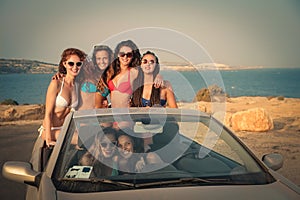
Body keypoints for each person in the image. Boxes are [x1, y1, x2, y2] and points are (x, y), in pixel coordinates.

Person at [39, 48, 86, 147]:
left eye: (78, 64)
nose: (75, 67)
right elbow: (48, 113)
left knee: (93, 138)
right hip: (50, 130)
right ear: (64, 64)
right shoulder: (56, 83)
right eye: (71, 64)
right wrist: (48, 139)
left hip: (65, 129)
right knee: (81, 140)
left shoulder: (78, 85)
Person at [96, 40, 164, 108]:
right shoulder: (111, 72)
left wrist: (158, 76)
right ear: (117, 55)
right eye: (122, 54)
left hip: (126, 114)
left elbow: (149, 72)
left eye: (129, 55)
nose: (125, 57)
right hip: (113, 113)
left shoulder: (135, 71)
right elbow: (101, 92)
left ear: (133, 56)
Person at [78, 45, 113, 109]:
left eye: (105, 58)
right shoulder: (88, 72)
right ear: (95, 60)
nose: (102, 62)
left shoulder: (110, 77)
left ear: (110, 59)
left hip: (98, 115)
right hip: (81, 115)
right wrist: (60, 74)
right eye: (98, 59)